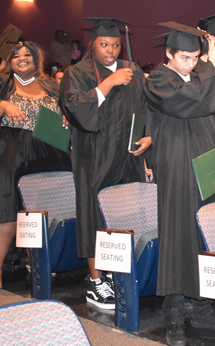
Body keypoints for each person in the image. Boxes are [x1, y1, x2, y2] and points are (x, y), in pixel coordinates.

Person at [143, 22, 215, 346]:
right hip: (177, 169)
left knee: (204, 237)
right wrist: (210, 66)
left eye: (196, 58)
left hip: (206, 168)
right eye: (184, 57)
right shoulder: (157, 81)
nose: (191, 63)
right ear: (169, 54)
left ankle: (201, 306)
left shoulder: (200, 78)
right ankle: (174, 316)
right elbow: (190, 103)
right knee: (176, 237)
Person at [60, 18, 152, 310]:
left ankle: (116, 274)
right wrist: (109, 82)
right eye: (104, 44)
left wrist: (148, 136)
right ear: (92, 45)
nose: (110, 50)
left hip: (128, 156)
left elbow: (146, 107)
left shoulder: (133, 70)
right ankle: (95, 282)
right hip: (94, 156)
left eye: (114, 44)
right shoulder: (77, 72)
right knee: (94, 215)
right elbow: (74, 107)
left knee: (124, 214)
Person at [0, 41, 71, 289]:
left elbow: (66, 112)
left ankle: (41, 262)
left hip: (47, 151)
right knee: (4, 208)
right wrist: (2, 105)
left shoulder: (51, 85)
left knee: (43, 211)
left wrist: (66, 117)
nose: (22, 59)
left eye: (28, 55)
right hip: (7, 153)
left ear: (37, 59)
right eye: (17, 55)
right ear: (8, 60)